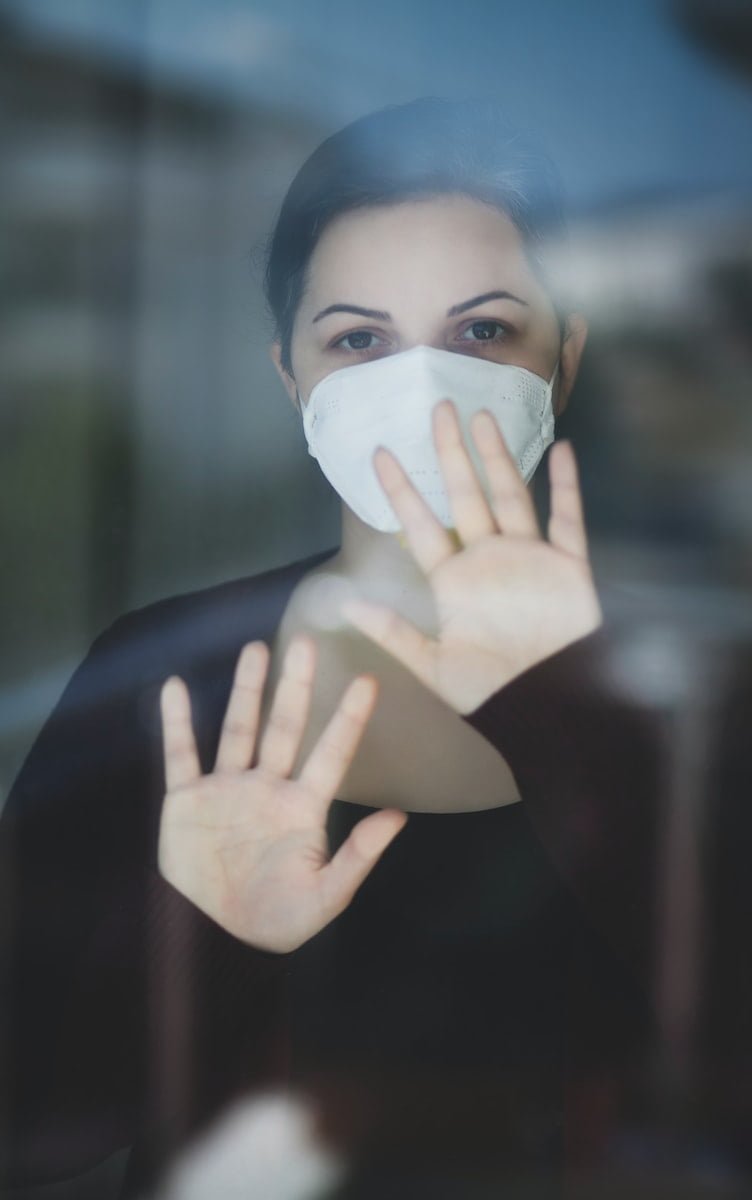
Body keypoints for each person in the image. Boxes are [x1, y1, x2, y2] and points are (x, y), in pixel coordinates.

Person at [0, 99, 660, 1197]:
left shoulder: (681, 698)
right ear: (290, 378)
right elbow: (27, 1126)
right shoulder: (164, 677)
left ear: (566, 358)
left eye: (482, 332)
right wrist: (191, 927)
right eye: (358, 340)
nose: (420, 385)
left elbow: (736, 1078)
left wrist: (561, 708)